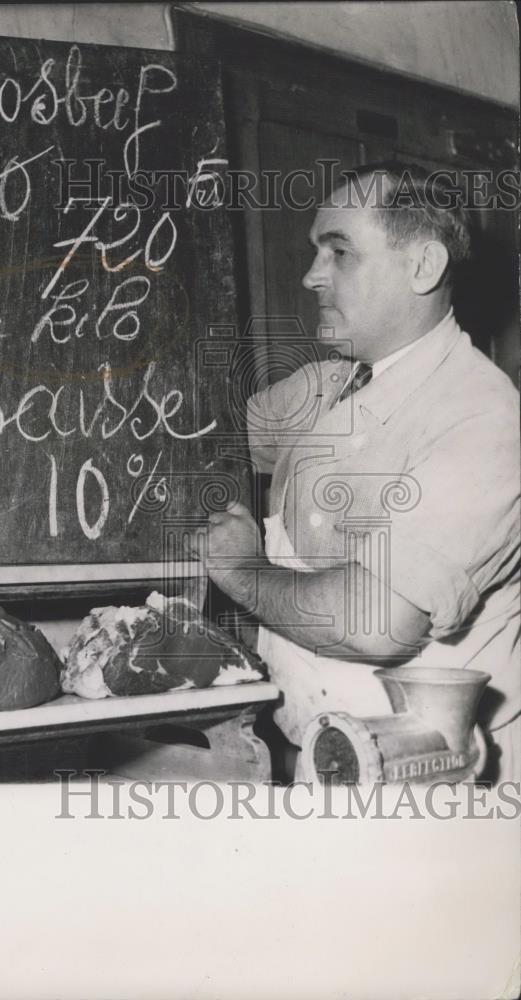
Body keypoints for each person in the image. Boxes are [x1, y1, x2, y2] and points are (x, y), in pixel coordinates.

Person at [190, 162, 520, 783]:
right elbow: (196, 439)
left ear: (423, 266)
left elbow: (378, 623)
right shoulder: (328, 384)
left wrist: (241, 569)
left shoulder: (485, 419)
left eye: (339, 252)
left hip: (431, 774)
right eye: (316, 251)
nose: (311, 276)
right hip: (313, 750)